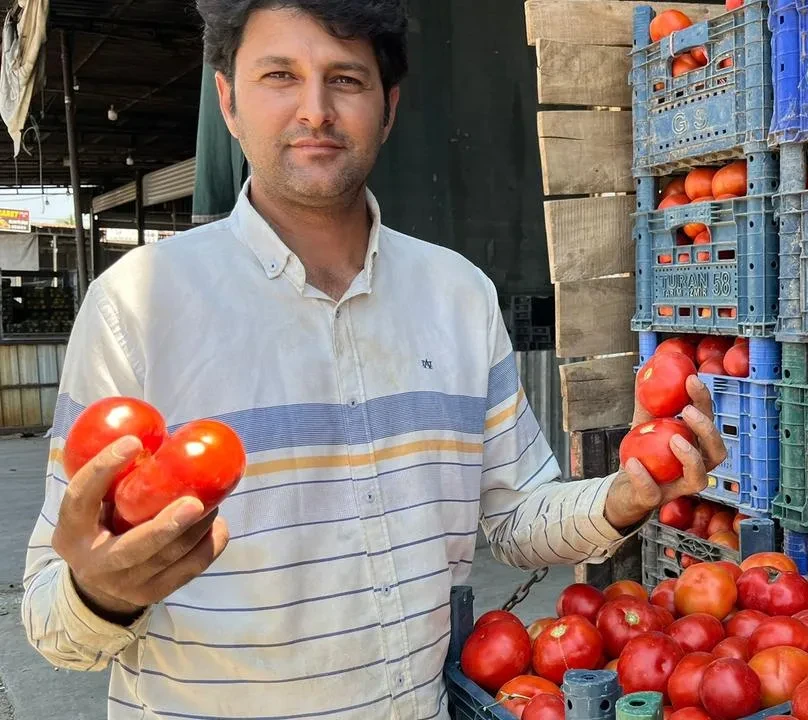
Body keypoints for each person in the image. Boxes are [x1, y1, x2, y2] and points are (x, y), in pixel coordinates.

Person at [21, 2, 727, 718]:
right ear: (228, 100)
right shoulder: (137, 306)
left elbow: (515, 519)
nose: (315, 109)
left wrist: (626, 493)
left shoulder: (459, 297)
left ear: (388, 108)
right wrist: (103, 591)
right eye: (279, 75)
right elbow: (51, 620)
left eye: (346, 80)